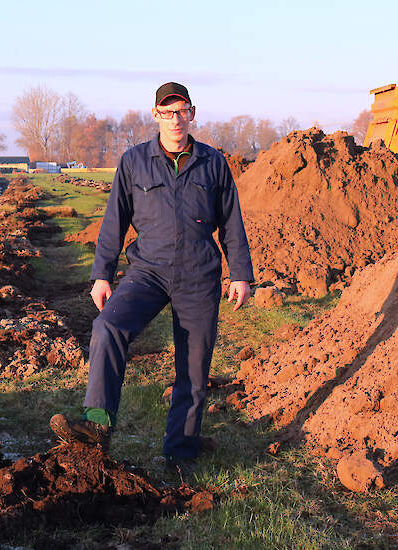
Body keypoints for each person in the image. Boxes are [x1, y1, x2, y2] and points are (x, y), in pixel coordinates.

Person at [50, 82, 253, 469]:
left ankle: (180, 453)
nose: (175, 120)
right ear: (155, 115)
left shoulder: (213, 163)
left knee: (193, 367)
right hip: (147, 271)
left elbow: (231, 222)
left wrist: (240, 273)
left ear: (192, 114)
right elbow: (115, 220)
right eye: (167, 112)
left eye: (182, 111)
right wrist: (102, 274)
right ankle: (96, 425)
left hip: (198, 274)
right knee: (107, 328)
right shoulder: (134, 161)